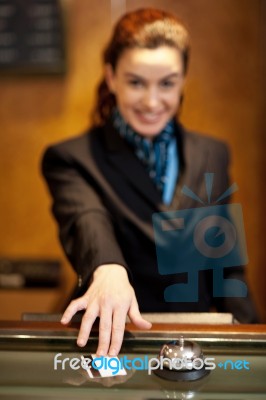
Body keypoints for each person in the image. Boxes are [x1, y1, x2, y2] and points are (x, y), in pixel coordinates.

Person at [42, 8, 259, 356]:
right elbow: (86, 220)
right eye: (136, 82)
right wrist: (107, 268)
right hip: (114, 343)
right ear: (111, 77)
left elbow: (225, 268)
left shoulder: (212, 154)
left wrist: (252, 354)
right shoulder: (72, 158)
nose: (152, 101)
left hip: (192, 346)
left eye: (167, 83)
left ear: (183, 79)